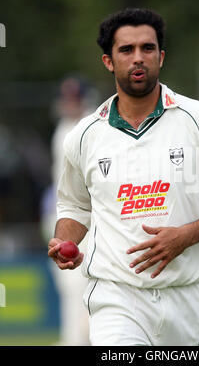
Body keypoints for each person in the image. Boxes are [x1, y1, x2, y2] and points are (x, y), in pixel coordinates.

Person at [48, 8, 199, 346]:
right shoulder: (83, 135)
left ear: (161, 57)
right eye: (126, 50)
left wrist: (185, 236)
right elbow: (74, 206)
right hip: (116, 298)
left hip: (187, 298)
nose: (138, 58)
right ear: (108, 61)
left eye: (147, 49)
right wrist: (63, 242)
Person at [42, 76, 97, 345]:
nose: (70, 104)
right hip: (63, 214)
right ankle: (74, 338)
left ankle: (82, 339)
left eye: (74, 99)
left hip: (90, 218)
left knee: (85, 282)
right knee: (69, 285)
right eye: (67, 99)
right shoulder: (62, 129)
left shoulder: (92, 127)